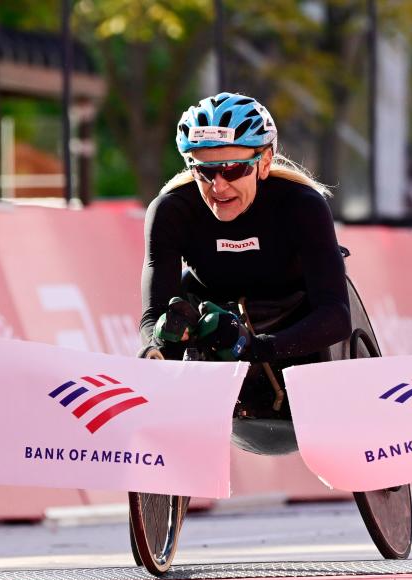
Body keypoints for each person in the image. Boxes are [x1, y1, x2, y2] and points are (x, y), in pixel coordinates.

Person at [139, 92, 352, 415]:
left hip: (298, 322)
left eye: (233, 169)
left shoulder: (302, 205)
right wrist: (161, 339)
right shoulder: (171, 210)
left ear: (264, 162)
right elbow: (152, 318)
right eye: (205, 171)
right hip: (214, 326)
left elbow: (337, 316)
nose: (218, 186)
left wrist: (255, 347)